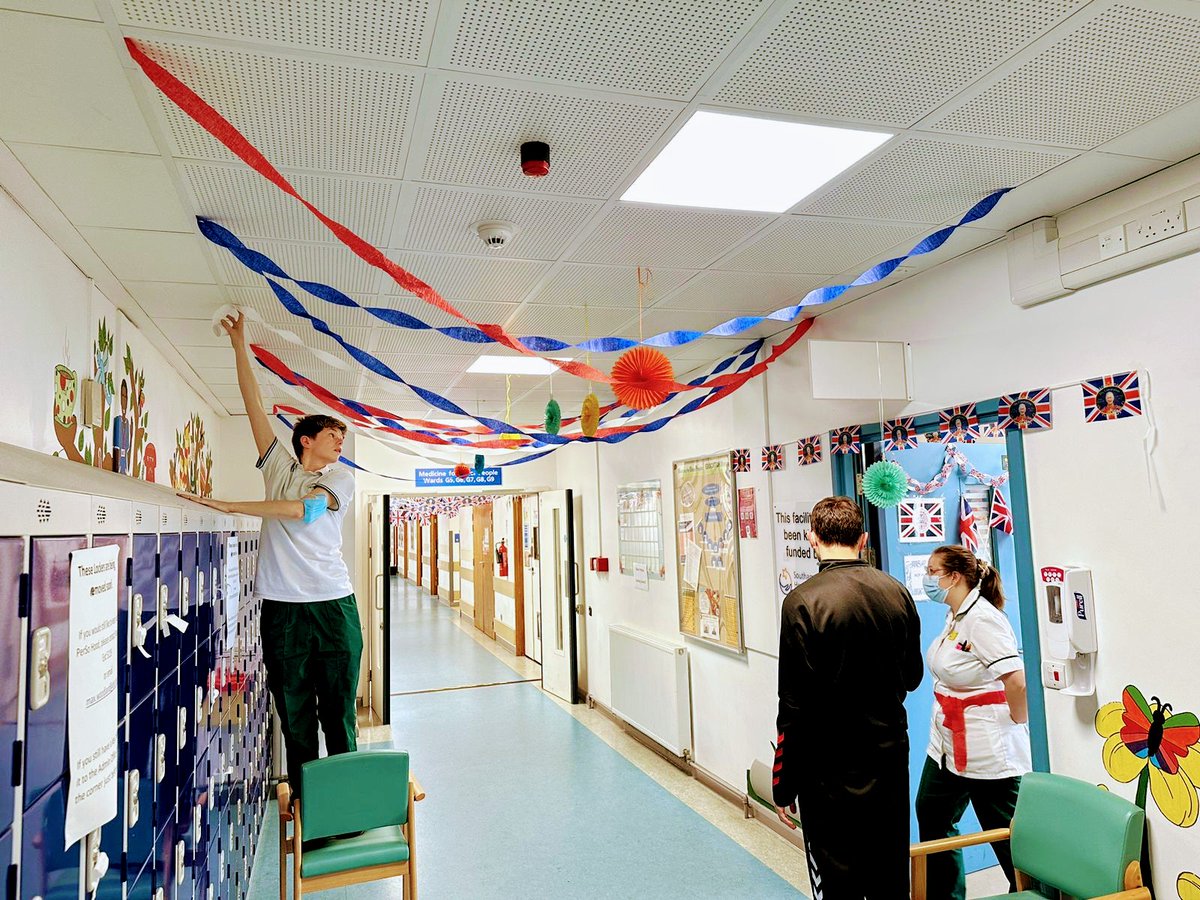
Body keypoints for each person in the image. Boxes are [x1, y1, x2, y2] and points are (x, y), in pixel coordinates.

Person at [181, 311, 361, 797]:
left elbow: (304, 512)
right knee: (296, 720)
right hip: (282, 610)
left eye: (342, 437)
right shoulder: (279, 464)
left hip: (333, 606)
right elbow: (253, 403)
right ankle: (310, 814)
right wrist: (240, 344)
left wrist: (229, 504)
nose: (340, 442)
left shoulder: (341, 479)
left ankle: (341, 809)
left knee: (339, 719)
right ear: (306, 439)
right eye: (332, 435)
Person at [772, 496, 923, 898]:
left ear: (812, 539)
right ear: (864, 539)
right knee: (890, 876)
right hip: (889, 761)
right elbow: (912, 678)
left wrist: (783, 784)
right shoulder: (897, 593)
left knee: (837, 883)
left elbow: (793, 705)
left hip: (828, 771)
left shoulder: (802, 602)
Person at [916, 544, 1030, 899]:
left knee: (1007, 834)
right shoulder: (957, 615)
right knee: (931, 811)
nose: (927, 579)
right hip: (948, 744)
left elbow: (1017, 680)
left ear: (954, 577)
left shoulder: (983, 618)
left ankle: (1033, 892)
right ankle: (944, 895)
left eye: (933, 572)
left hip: (987, 749)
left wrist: (1015, 722)